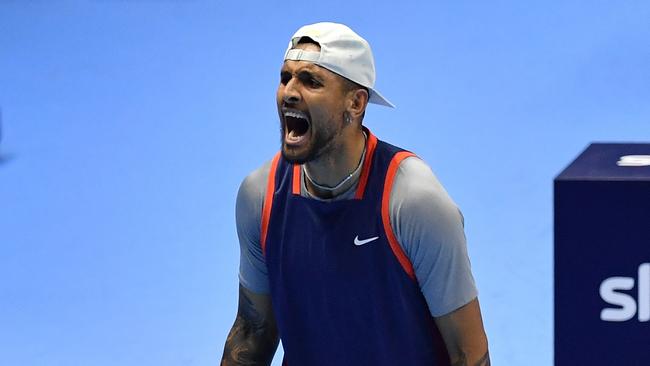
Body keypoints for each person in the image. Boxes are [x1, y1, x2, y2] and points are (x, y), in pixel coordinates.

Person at [221, 22, 489, 366]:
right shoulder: (260, 196)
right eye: (285, 77)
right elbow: (252, 333)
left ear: (356, 102)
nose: (289, 91)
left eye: (311, 81)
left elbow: (469, 353)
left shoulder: (413, 201)